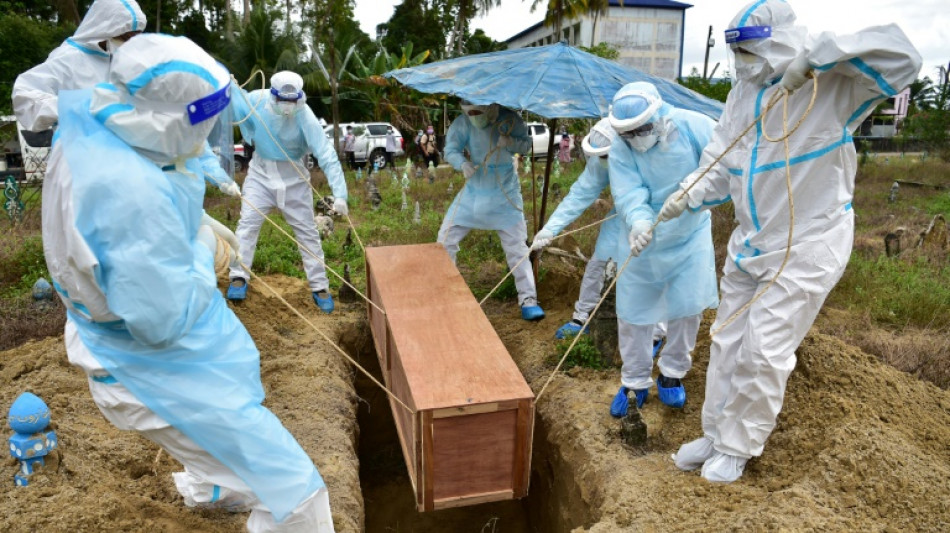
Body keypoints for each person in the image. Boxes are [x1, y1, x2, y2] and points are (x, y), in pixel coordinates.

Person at [42, 34, 334, 532]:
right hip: (150, 364)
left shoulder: (103, 130)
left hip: (124, 347)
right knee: (293, 487)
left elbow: (170, 152)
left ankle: (212, 488)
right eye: (200, 122)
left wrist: (195, 221)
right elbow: (163, 319)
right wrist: (202, 253)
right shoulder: (130, 199)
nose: (207, 133)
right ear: (172, 118)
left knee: (220, 436)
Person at [659, 0, 922, 483]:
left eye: (753, 53)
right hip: (751, 242)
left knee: (764, 348)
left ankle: (739, 446)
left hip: (807, 243)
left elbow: (904, 57)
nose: (744, 65)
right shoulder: (744, 91)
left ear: (782, 43)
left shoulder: (835, 84)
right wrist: (689, 192)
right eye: (739, 55)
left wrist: (820, 54)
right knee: (726, 342)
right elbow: (722, 156)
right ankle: (716, 434)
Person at [12, 0, 240, 197]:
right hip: (85, 172)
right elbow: (25, 96)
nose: (131, 43)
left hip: (136, 172)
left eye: (136, 37)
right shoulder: (68, 60)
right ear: (104, 29)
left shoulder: (135, 64)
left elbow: (169, 115)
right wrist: (81, 104)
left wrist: (207, 162)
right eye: (125, 36)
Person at [605, 82, 719, 417]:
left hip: (690, 234)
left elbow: (722, 168)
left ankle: (671, 374)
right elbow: (627, 191)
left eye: (640, 129)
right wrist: (639, 222)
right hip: (643, 241)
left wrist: (689, 195)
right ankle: (634, 381)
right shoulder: (621, 146)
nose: (636, 137)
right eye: (628, 133)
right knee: (634, 313)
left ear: (657, 115)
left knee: (687, 309)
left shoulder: (694, 126)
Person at [226, 70, 349, 312]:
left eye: (292, 102)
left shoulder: (306, 116)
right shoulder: (256, 100)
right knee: (248, 224)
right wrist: (231, 91)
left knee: (307, 232)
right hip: (261, 173)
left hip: (294, 177)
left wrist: (341, 194)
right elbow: (235, 111)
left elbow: (326, 154)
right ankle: (238, 275)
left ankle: (319, 286)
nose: (287, 107)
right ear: (273, 95)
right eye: (283, 101)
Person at [440, 101, 544, 321]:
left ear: (490, 106)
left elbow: (526, 146)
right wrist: (462, 163)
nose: (475, 117)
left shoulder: (510, 118)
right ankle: (445, 293)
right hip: (475, 187)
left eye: (479, 111)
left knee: (516, 246)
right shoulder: (463, 123)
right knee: (446, 238)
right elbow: (450, 149)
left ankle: (528, 300)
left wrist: (510, 142)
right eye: (470, 113)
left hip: (504, 187)